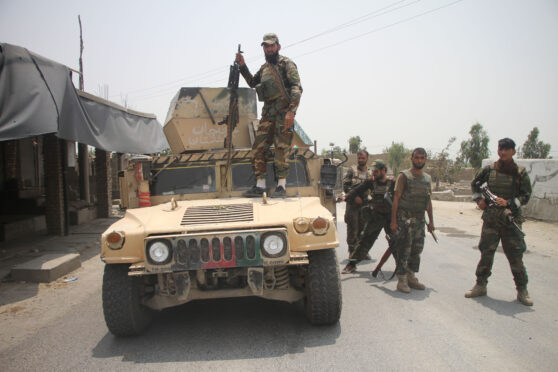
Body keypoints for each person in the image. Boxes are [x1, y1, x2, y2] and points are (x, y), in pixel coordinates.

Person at [465, 138, 533, 306]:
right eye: (500, 149)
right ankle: (480, 285)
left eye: (507, 149)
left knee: (515, 256)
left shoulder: (520, 173)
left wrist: (509, 203)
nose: (503, 152)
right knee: (486, 253)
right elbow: (475, 184)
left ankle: (522, 290)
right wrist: (479, 200)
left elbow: (526, 195)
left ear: (513, 152)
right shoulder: (489, 170)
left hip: (511, 220)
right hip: (491, 220)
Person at [236, 33, 302, 198]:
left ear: (278, 47)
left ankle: (281, 186)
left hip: (284, 114)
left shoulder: (287, 64)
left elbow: (296, 87)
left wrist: (291, 112)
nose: (269, 49)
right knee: (258, 148)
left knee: (281, 148)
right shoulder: (265, 68)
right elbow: (252, 82)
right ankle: (260, 185)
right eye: (266, 46)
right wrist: (243, 66)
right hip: (268, 114)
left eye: (272, 45)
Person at [390, 148, 434, 293]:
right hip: (405, 219)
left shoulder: (427, 179)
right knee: (405, 249)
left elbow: (428, 201)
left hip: (420, 220)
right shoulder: (404, 176)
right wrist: (393, 221)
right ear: (412, 159)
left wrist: (431, 222)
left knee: (417, 249)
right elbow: (396, 199)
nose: (419, 160)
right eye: (417, 157)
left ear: (425, 159)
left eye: (422, 158)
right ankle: (402, 279)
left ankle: (411, 276)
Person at [342, 159, 394, 274]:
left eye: (376, 171)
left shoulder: (392, 183)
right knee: (364, 241)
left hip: (390, 218)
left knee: (396, 242)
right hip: (376, 217)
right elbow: (356, 190)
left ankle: (402, 269)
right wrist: (345, 197)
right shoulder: (370, 182)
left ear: (383, 170)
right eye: (373, 171)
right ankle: (352, 264)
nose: (373, 173)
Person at [340, 150, 372, 255]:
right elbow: (345, 186)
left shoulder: (370, 172)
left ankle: (362, 252)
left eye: (363, 158)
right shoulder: (351, 170)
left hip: (365, 205)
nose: (360, 160)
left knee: (364, 230)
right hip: (353, 206)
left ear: (367, 158)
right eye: (359, 158)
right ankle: (352, 252)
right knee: (352, 230)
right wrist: (354, 197)